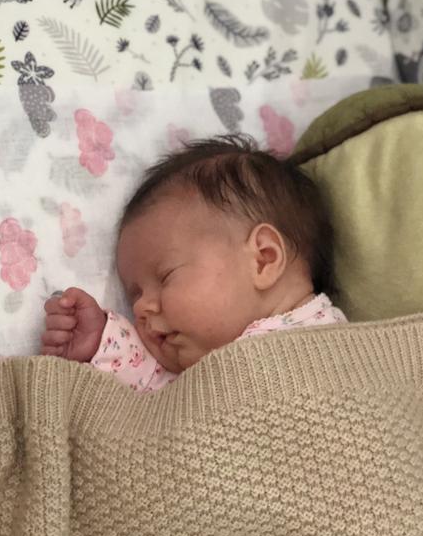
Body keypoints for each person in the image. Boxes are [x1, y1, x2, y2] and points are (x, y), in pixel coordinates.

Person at [41, 134, 347, 393]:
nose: (140, 309)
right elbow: (158, 405)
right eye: (135, 295)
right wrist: (102, 344)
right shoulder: (197, 380)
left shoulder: (336, 346)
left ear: (263, 259)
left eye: (166, 276)